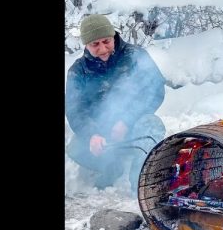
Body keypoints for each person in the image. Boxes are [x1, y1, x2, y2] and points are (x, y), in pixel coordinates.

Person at [66, 14, 167, 194]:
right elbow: (74, 109)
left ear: (113, 36)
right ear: (86, 45)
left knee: (153, 125)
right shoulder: (78, 70)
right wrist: (92, 134)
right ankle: (111, 166)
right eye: (95, 44)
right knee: (75, 148)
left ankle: (141, 182)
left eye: (106, 41)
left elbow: (155, 90)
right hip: (101, 130)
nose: (102, 49)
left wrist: (126, 121)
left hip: (134, 125)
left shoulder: (135, 56)